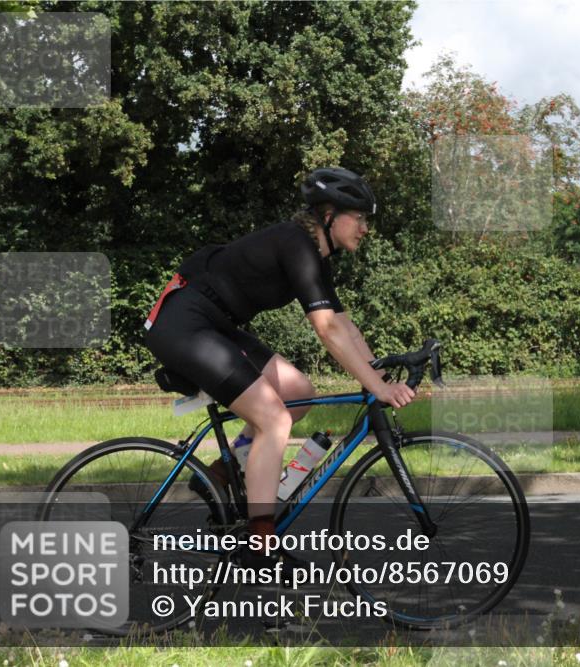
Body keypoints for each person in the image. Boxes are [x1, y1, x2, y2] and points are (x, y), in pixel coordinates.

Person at [143, 167, 415, 565]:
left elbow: (343, 325)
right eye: (358, 217)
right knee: (274, 419)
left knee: (298, 393)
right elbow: (327, 330)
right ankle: (261, 546)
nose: (365, 228)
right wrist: (377, 387)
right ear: (329, 215)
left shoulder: (316, 258)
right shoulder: (296, 244)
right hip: (185, 324)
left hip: (216, 326)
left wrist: (382, 374)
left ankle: (221, 474)